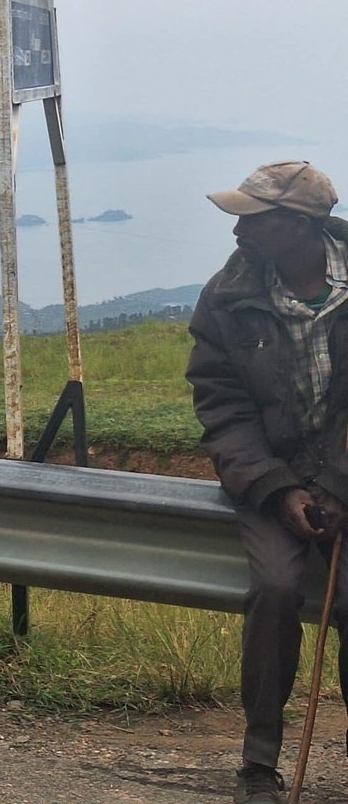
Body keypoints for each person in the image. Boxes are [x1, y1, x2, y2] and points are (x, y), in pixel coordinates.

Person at [188, 160, 348, 803]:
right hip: (270, 483)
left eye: (253, 220)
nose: (238, 231)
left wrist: (337, 485)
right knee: (276, 589)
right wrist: (279, 489)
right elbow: (222, 405)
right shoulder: (226, 296)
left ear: (300, 226)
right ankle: (258, 764)